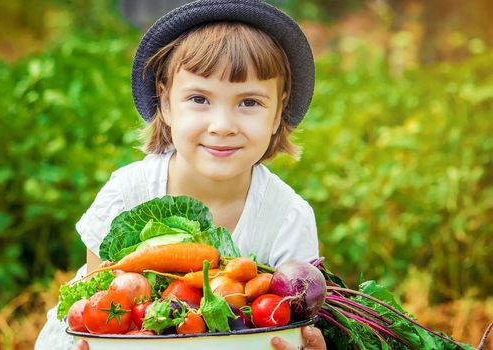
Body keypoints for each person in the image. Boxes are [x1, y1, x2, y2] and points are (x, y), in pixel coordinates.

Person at [35, 0, 326, 349]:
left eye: (249, 102)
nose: (222, 126)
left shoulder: (287, 217)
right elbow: (96, 311)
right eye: (200, 99)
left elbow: (299, 319)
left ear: (280, 110)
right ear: (167, 103)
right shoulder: (128, 193)